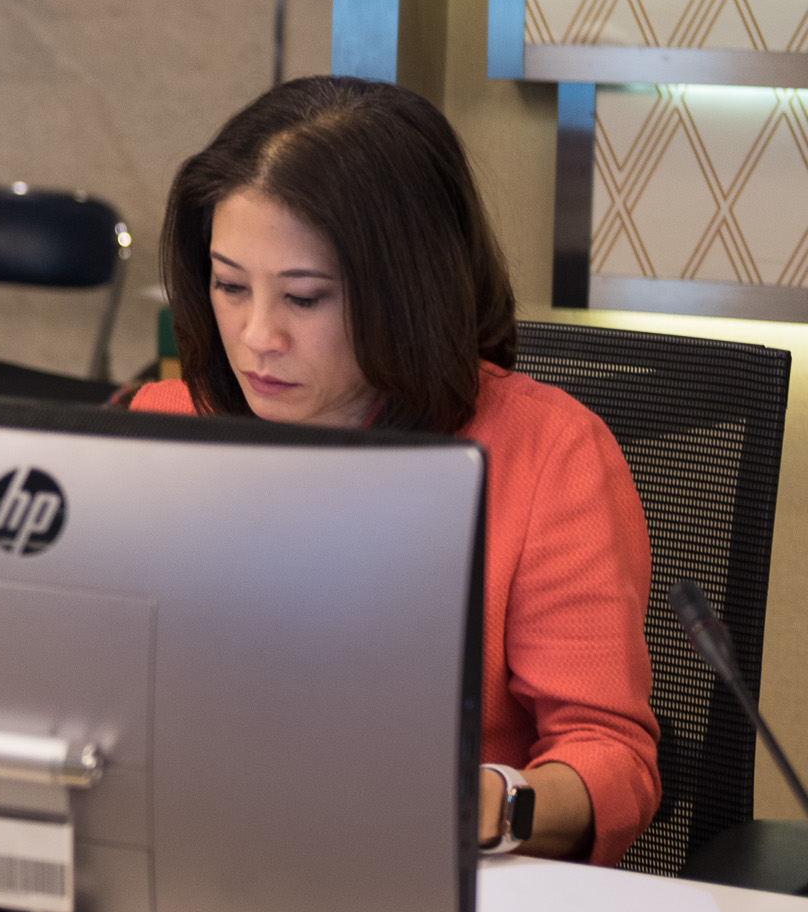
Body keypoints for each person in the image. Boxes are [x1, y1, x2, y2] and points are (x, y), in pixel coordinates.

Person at [132, 75, 659, 866]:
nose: (256, 335)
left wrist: (490, 803)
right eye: (230, 286)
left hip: (434, 879)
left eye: (303, 298)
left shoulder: (545, 454)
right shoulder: (162, 427)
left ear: (405, 295)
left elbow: (610, 757)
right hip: (198, 857)